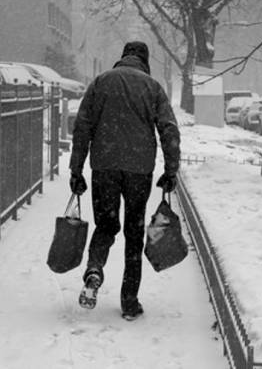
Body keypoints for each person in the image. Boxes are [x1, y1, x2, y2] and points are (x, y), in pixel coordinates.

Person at [69, 41, 180, 320]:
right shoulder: (152, 88)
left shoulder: (100, 83)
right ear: (144, 61)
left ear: (123, 57)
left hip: (104, 166)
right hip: (138, 171)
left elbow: (82, 127)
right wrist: (171, 169)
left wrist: (76, 169)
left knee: (105, 225)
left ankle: (94, 267)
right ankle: (129, 302)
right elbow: (168, 129)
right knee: (133, 232)